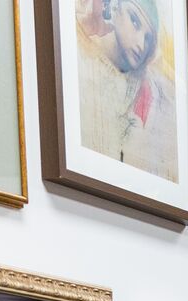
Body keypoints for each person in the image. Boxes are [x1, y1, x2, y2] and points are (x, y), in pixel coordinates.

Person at [76, 0, 178, 181]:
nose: (141, 44)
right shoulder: (82, 57)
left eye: (148, 38)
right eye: (135, 21)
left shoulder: (148, 90)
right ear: (114, 7)